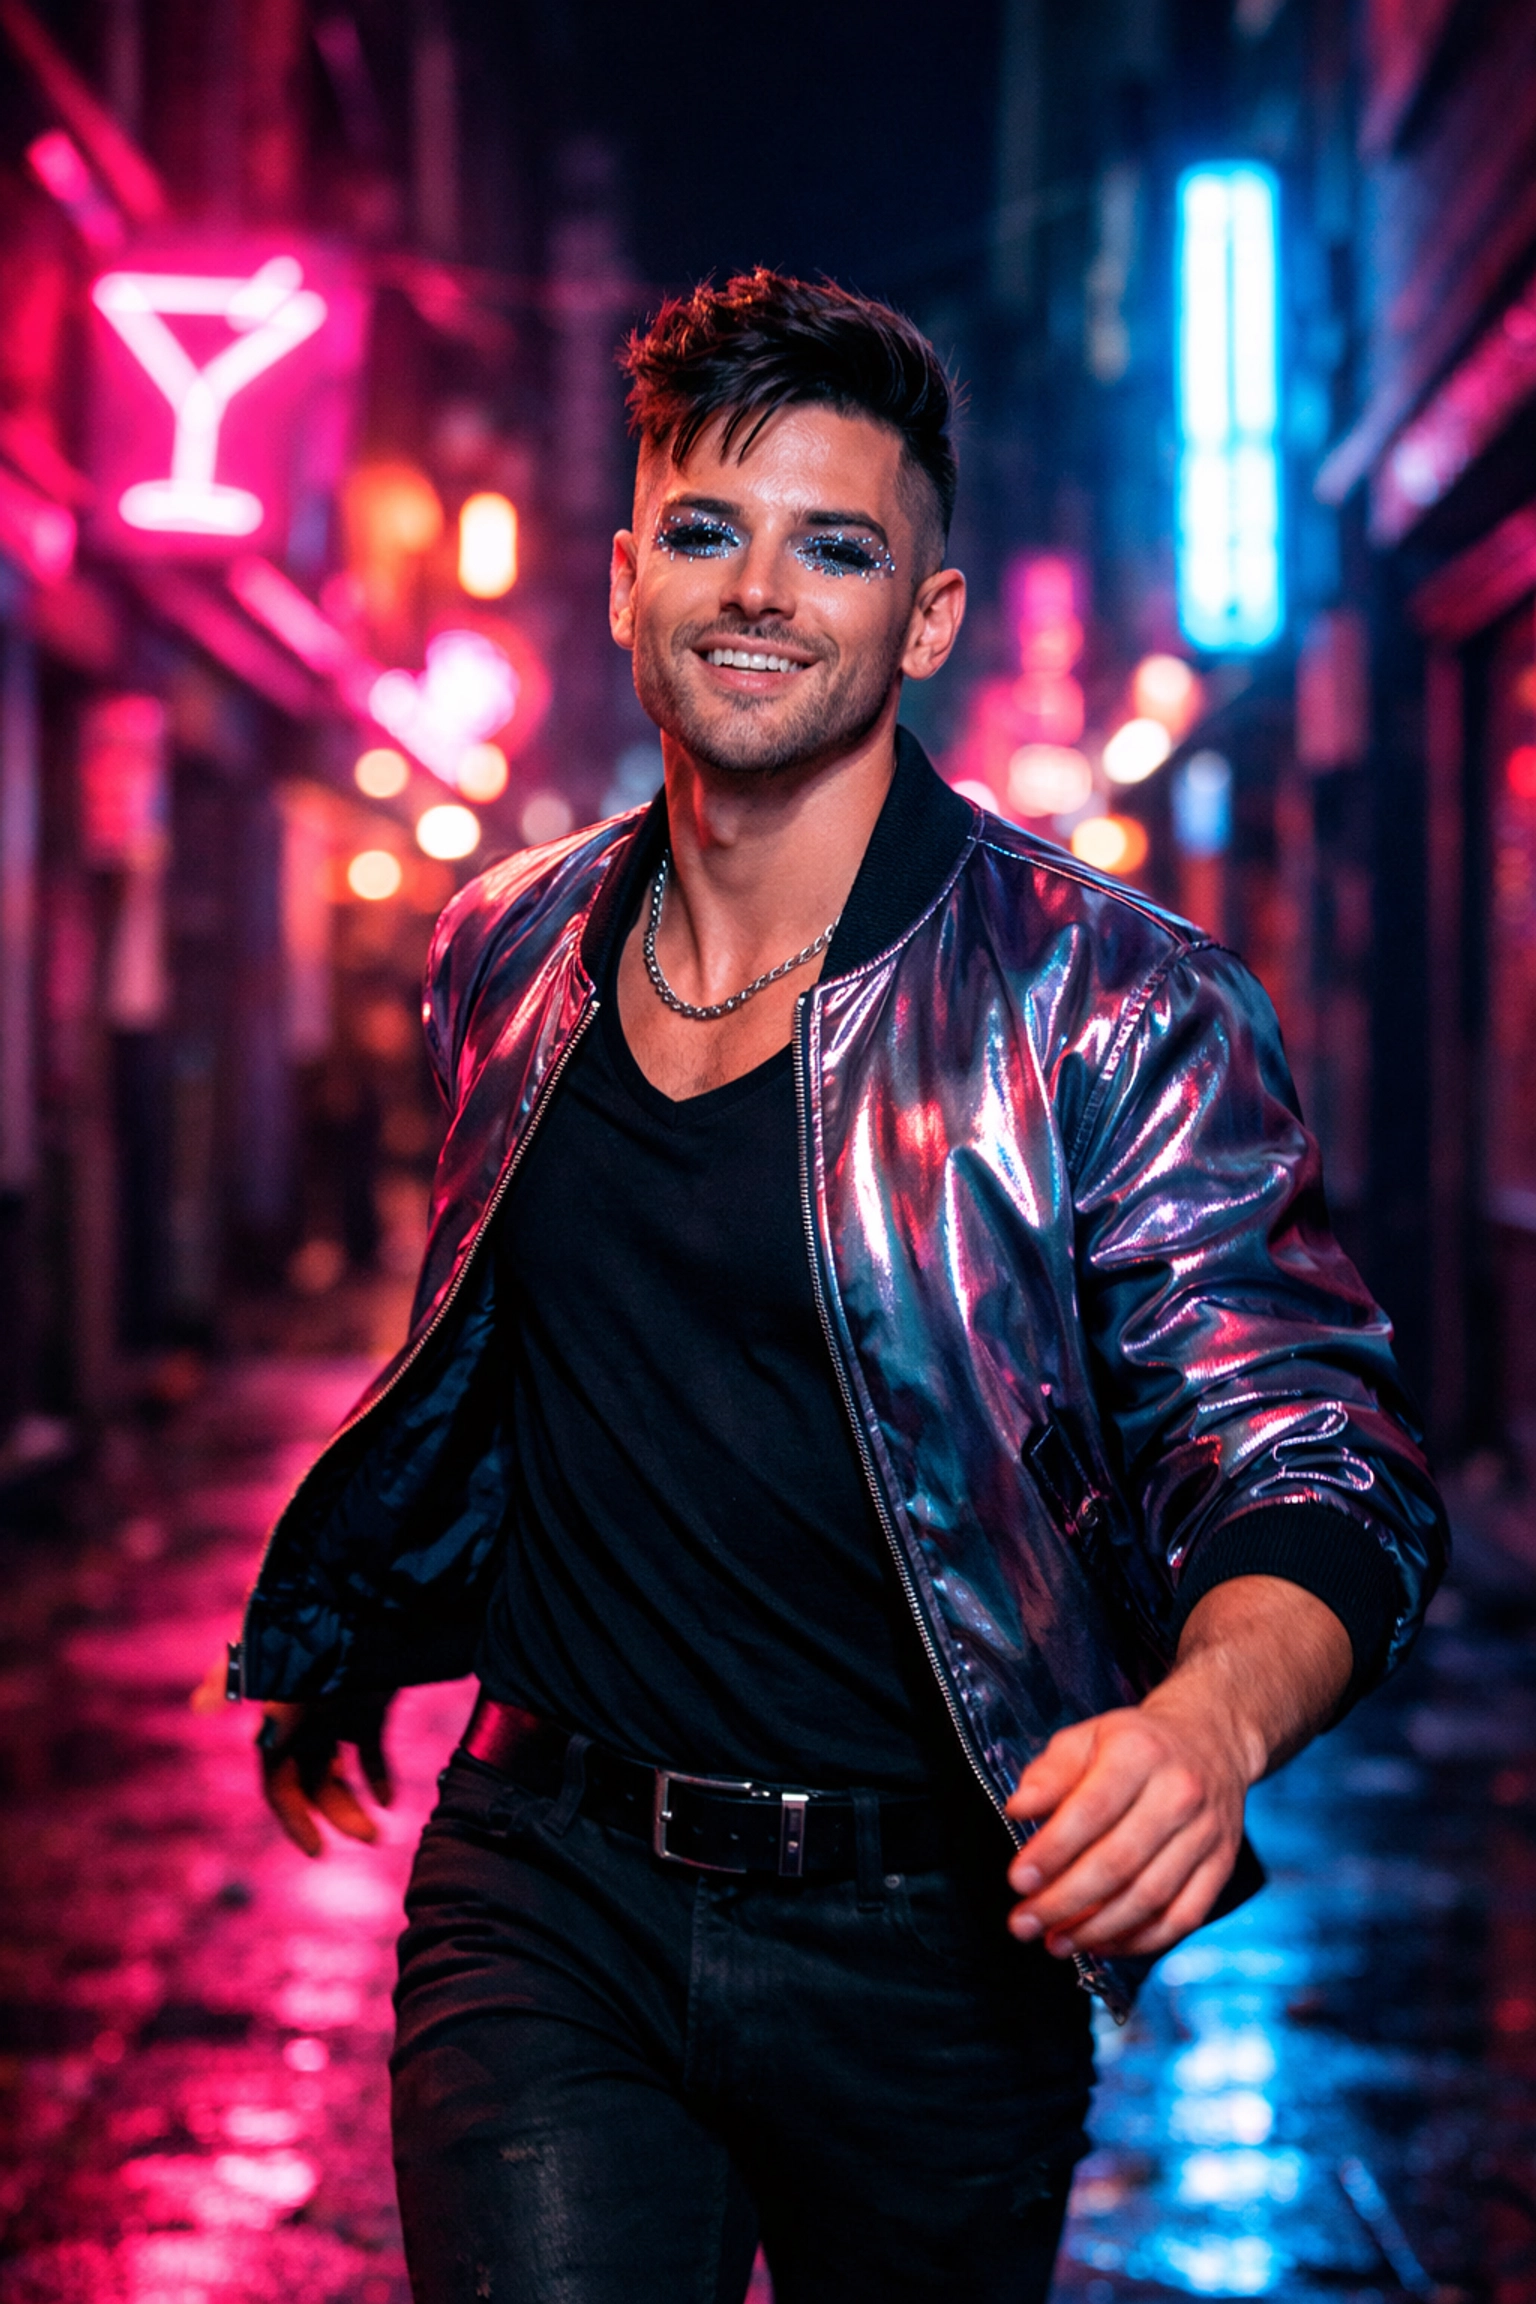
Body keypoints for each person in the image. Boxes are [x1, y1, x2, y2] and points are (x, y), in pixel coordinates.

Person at [228, 271, 1448, 2303]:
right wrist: (355, 1620)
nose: (760, 591)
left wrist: (1207, 1730)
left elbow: (1309, 1451)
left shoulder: (1110, 1001)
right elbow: (502, 1365)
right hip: (549, 1890)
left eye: (838, 544)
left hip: (928, 1943)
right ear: (623, 581)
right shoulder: (503, 955)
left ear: (930, 617)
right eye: (707, 531)